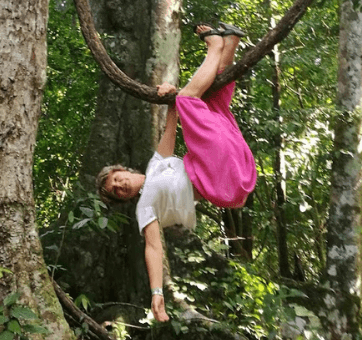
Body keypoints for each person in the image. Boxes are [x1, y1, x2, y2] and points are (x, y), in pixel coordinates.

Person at [96, 22, 256, 322]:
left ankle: (230, 42)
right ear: (124, 198)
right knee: (190, 100)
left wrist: (169, 94)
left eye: (116, 180)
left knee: (207, 101)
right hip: (220, 178)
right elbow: (154, 249)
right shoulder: (145, 207)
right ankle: (216, 46)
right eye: (115, 191)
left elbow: (171, 119)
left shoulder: (156, 164)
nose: (118, 186)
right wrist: (157, 294)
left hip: (227, 165)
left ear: (124, 170)